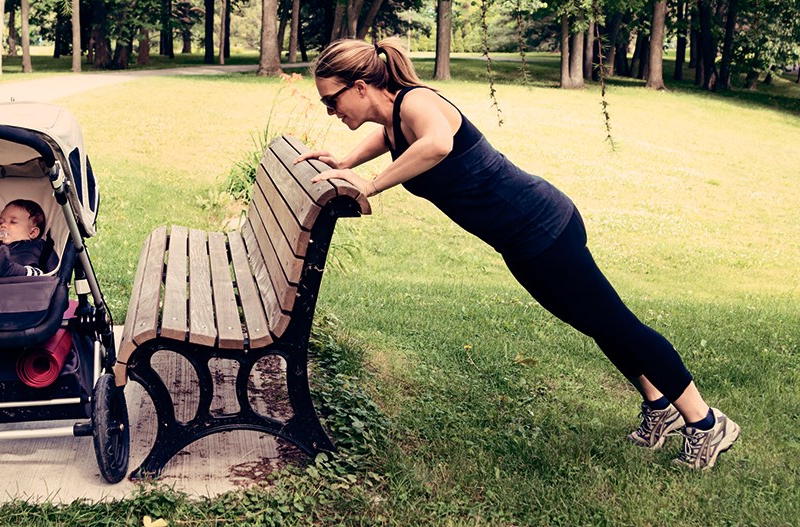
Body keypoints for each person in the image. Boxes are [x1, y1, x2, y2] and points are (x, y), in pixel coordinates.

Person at [296, 38, 739, 470]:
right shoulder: (394, 116)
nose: (331, 112)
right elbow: (390, 138)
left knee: (617, 323)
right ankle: (658, 404)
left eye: (331, 101)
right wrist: (346, 163)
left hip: (543, 225)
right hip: (521, 241)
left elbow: (436, 144)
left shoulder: (416, 102)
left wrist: (371, 185)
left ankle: (706, 422)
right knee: (597, 324)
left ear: (359, 86)